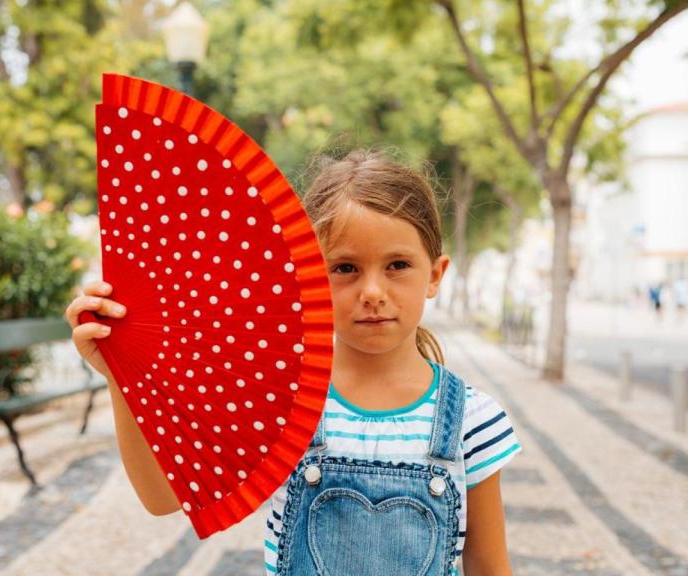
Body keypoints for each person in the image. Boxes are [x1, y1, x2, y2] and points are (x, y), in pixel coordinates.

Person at [65, 150, 522, 575]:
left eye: (397, 265)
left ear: (435, 275)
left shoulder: (472, 420)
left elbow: (489, 567)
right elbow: (161, 496)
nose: (373, 292)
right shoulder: (278, 399)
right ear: (306, 277)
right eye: (344, 268)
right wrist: (122, 375)